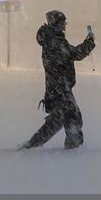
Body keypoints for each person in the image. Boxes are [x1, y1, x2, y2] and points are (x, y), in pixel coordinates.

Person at [20, 10, 95, 150]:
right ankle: (74, 147)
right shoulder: (53, 41)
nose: (64, 26)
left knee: (60, 118)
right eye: (62, 23)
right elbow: (74, 54)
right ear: (55, 24)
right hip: (59, 88)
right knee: (72, 116)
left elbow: (68, 53)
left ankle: (33, 145)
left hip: (57, 88)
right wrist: (89, 44)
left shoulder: (51, 39)